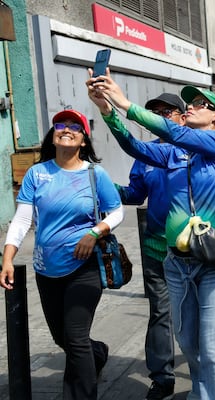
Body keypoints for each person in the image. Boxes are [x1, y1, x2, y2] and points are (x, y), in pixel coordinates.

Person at [87, 71, 215, 399]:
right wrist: (107, 111)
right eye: (190, 103)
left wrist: (124, 102)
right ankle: (202, 394)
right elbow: (134, 146)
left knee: (214, 351)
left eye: (201, 103)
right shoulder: (173, 153)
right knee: (190, 345)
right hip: (177, 264)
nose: (191, 107)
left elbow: (173, 131)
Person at [1, 110, 123, 399]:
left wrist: (95, 233)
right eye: (60, 125)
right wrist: (7, 259)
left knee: (76, 338)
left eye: (74, 127)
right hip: (46, 269)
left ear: (83, 140)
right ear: (53, 135)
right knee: (62, 338)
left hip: (84, 268)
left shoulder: (95, 174)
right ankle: (98, 353)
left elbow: (116, 210)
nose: (66, 129)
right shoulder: (37, 173)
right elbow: (21, 221)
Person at [115, 92, 186, 399]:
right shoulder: (145, 155)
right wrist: (105, 189)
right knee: (160, 311)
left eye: (166, 112)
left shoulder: (196, 147)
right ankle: (162, 376)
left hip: (196, 249)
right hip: (158, 248)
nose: (158, 117)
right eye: (154, 112)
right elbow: (135, 194)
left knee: (199, 311)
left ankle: (208, 368)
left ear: (182, 118)